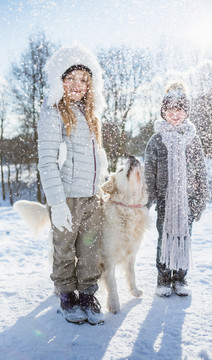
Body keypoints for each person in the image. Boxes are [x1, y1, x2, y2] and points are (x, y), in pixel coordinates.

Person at [38, 45, 108, 324]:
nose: (77, 85)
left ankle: (88, 293)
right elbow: (47, 162)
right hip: (66, 197)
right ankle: (67, 293)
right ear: (60, 81)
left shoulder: (91, 115)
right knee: (64, 248)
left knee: (89, 249)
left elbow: (97, 157)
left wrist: (100, 185)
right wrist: (57, 203)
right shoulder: (52, 113)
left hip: (91, 197)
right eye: (71, 79)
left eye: (83, 80)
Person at [144, 81, 208, 297]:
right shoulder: (156, 140)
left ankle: (180, 278)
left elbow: (201, 172)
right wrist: (149, 199)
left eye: (179, 109)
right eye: (170, 109)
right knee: (164, 239)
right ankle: (163, 278)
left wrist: (200, 200)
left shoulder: (193, 140)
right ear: (163, 111)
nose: (174, 113)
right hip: (165, 202)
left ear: (186, 112)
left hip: (187, 202)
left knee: (183, 238)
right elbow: (149, 173)